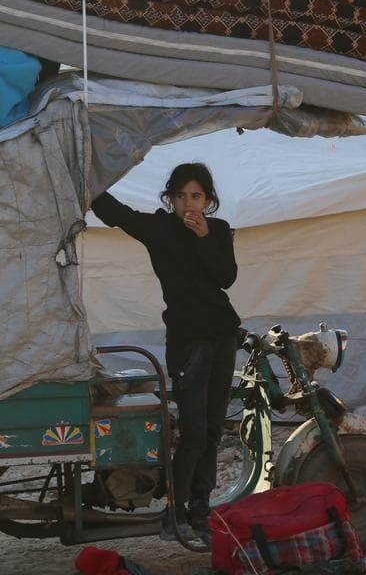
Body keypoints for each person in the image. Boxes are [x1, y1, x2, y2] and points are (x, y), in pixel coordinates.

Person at [91, 162, 239, 547]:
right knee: (191, 431)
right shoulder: (159, 230)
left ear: (208, 200)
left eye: (196, 197)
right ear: (170, 198)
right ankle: (175, 514)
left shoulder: (219, 230)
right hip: (189, 342)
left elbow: (226, 277)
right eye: (181, 196)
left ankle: (200, 512)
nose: (189, 204)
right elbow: (114, 213)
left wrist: (206, 237)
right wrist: (87, 178)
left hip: (223, 337)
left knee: (210, 429)